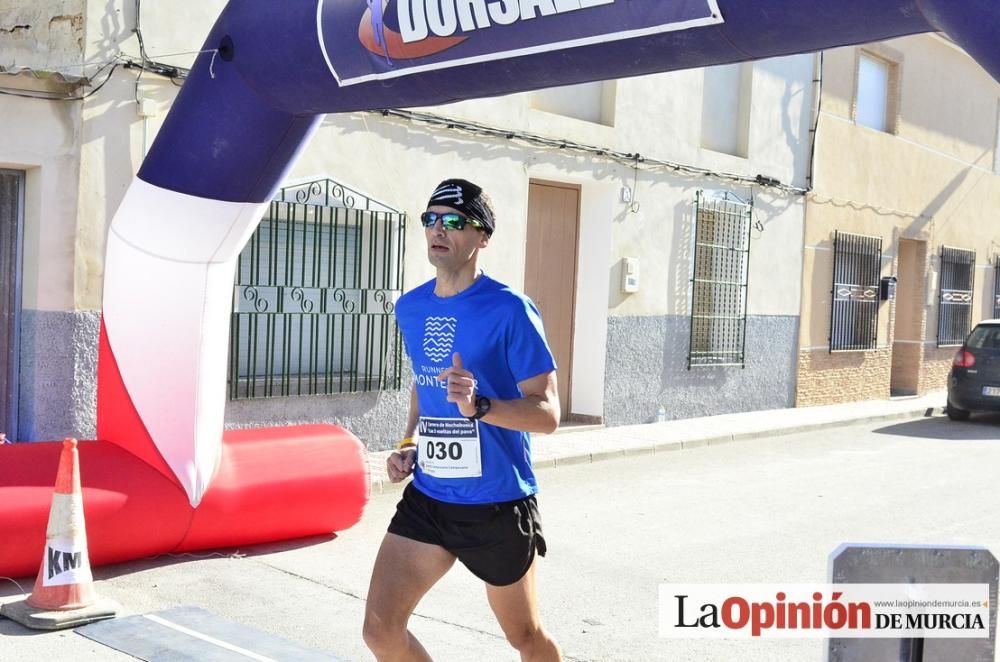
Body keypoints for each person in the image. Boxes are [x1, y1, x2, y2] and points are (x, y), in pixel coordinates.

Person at [363, 179, 563, 662]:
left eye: (453, 221)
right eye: (430, 218)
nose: (438, 228)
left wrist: (483, 406)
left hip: (496, 503)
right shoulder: (411, 307)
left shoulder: (510, 309)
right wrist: (409, 441)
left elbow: (548, 413)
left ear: (482, 237)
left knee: (526, 638)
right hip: (430, 496)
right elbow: (424, 383)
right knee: (379, 630)